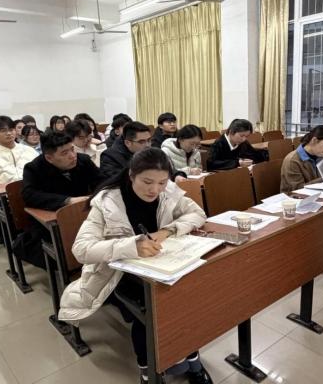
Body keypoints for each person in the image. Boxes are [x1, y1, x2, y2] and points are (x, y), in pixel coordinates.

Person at [58, 148, 212, 384]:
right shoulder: (108, 201)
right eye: (147, 182)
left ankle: (191, 360)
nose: (155, 190)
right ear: (131, 175)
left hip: (164, 265)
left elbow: (198, 214)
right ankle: (148, 372)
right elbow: (81, 249)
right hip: (118, 273)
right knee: (151, 312)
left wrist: (167, 231)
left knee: (189, 300)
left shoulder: (168, 190)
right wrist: (131, 246)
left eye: (162, 182)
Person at [20, 131, 104, 268]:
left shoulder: (83, 160)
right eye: (65, 153)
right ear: (49, 158)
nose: (72, 156)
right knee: (64, 251)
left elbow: (102, 181)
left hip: (83, 212)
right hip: (51, 217)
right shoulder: (34, 168)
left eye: (72, 149)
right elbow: (29, 195)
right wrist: (67, 201)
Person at [0, 116, 39, 243]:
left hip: (32, 193)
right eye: (3, 130)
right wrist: (10, 197)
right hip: (3, 198)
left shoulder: (29, 151)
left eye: (11, 129)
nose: (9, 133)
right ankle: (10, 239)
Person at [280, 125, 323, 192]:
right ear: (314, 140)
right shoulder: (292, 161)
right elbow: (298, 189)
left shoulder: (321, 155)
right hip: (295, 196)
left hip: (317, 193)